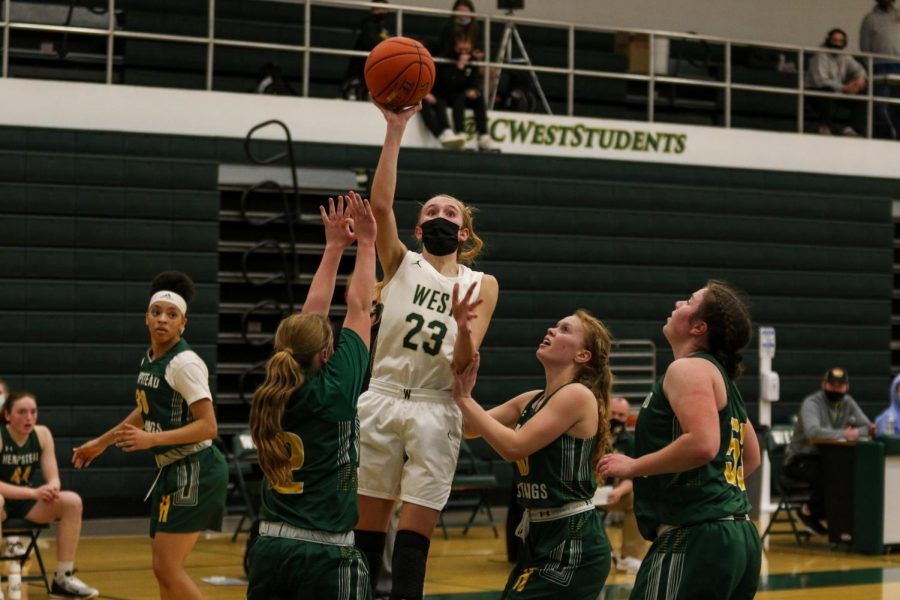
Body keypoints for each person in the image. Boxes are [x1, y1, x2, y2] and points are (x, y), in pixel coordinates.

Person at [353, 102, 499, 600]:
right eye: (430, 212)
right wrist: (395, 129)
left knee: (415, 539)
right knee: (367, 533)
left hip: (438, 405)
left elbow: (463, 368)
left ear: (465, 232)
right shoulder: (400, 263)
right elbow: (380, 207)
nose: (439, 216)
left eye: (449, 213)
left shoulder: (484, 283)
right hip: (384, 395)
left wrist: (462, 329)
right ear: (418, 230)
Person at [246, 192, 377, 599]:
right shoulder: (336, 388)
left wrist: (334, 248)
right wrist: (368, 243)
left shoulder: (274, 387)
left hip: (268, 546)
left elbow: (313, 316)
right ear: (325, 354)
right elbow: (359, 305)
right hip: (324, 553)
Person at [599, 281, 762, 600]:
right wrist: (714, 493)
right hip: (736, 535)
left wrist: (635, 466)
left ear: (699, 327)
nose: (677, 303)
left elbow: (703, 444)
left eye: (689, 301)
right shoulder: (720, 377)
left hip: (697, 537)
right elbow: (751, 455)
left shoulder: (687, 370)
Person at [72, 271, 228, 600]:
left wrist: (151, 441)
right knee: (162, 570)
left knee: (169, 568)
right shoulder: (150, 359)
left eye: (171, 315)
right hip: (172, 469)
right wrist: (101, 443)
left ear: (183, 324)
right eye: (156, 312)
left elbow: (209, 426)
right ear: (146, 318)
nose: (162, 320)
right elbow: (145, 411)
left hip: (196, 468)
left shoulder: (184, 363)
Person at [452, 310, 612, 599]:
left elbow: (514, 446)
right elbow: (468, 427)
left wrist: (465, 399)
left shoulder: (577, 395)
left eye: (564, 329)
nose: (551, 330)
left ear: (582, 356)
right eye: (555, 324)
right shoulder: (532, 399)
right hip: (538, 533)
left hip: (573, 538)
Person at [0, 392, 99, 598]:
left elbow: (53, 476)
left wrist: (52, 488)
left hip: (27, 503)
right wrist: (34, 492)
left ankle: (63, 579)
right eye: (22, 412)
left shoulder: (42, 434)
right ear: (8, 415)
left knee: (72, 501)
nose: (29, 417)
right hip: (5, 502)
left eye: (33, 412)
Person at [783, 367, 875, 535]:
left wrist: (855, 433)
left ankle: (837, 521)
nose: (836, 389)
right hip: (800, 458)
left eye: (840, 386)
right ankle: (808, 511)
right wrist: (845, 434)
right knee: (834, 474)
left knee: (849, 471)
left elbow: (867, 428)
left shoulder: (848, 402)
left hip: (830, 457)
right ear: (824, 384)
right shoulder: (811, 403)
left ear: (846, 387)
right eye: (832, 385)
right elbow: (813, 432)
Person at [598, 397, 650, 575]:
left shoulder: (630, 442)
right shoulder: (590, 433)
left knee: (636, 498)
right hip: (581, 493)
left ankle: (630, 558)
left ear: (627, 417)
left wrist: (620, 491)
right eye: (613, 413)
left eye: (621, 415)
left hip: (608, 494)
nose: (616, 418)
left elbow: (633, 476)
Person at [421, 33, 495, 151]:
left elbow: (474, 79)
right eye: (460, 49)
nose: (464, 53)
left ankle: (484, 135)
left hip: (462, 93)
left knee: (478, 99)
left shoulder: (472, 61)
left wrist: (474, 90)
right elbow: (447, 84)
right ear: (454, 47)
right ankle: (458, 132)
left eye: (467, 50)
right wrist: (459, 67)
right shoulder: (446, 59)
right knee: (453, 98)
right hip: (445, 93)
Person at [805, 28, 867, 136]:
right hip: (815, 93)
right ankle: (825, 127)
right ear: (828, 40)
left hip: (837, 91)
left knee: (863, 91)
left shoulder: (845, 56)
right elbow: (820, 81)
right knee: (826, 90)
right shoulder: (820, 55)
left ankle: (851, 128)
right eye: (835, 40)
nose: (837, 43)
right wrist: (844, 88)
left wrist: (860, 79)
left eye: (840, 41)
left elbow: (859, 69)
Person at [860, 0, 900, 138]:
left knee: (897, 104)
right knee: (880, 105)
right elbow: (864, 46)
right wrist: (870, 64)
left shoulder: (898, 15)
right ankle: (883, 134)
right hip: (879, 66)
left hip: (899, 65)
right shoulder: (870, 18)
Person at [342, 0, 392, 101]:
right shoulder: (368, 25)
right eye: (378, 9)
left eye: (384, 9)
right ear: (372, 10)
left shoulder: (384, 29)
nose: (381, 12)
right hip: (360, 73)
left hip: (373, 74)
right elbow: (374, 44)